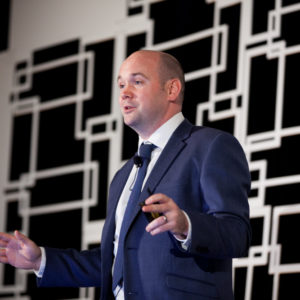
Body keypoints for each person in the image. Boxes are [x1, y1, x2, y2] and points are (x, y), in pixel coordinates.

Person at [0, 50, 251, 300]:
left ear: (172, 89)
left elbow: (237, 234)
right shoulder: (123, 175)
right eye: (121, 84)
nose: (124, 93)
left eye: (137, 82)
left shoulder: (212, 146)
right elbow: (114, 262)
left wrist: (186, 224)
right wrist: (41, 261)